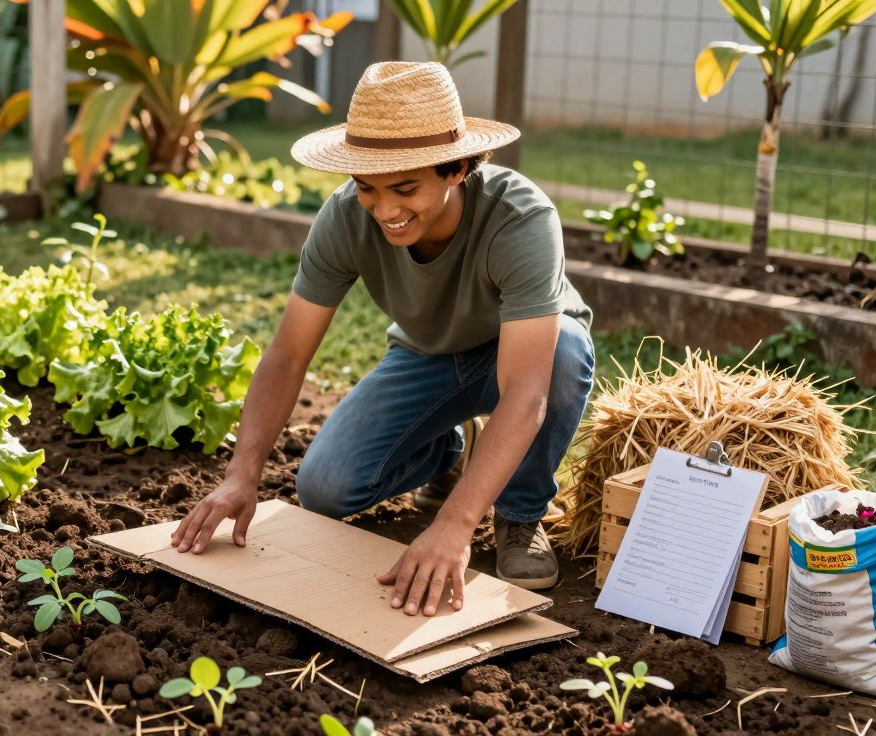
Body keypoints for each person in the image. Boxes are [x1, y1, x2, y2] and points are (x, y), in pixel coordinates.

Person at [170, 61, 595, 618]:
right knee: (324, 488)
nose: (386, 210)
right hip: (427, 356)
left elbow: (526, 392)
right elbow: (289, 352)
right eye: (367, 187)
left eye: (404, 187)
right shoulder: (347, 218)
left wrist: (454, 527)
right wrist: (241, 474)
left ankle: (519, 512)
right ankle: (446, 449)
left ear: (456, 167)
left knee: (564, 350)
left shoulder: (520, 220)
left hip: (522, 357)